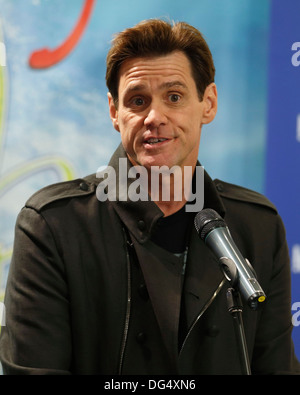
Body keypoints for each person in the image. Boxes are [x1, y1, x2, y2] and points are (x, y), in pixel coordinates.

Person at [0, 18, 299, 375]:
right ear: (115, 112)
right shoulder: (52, 225)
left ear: (208, 103)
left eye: (174, 97)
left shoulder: (257, 226)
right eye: (138, 100)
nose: (154, 117)